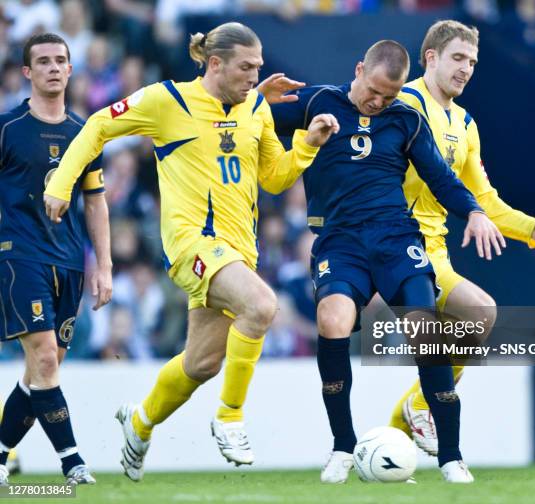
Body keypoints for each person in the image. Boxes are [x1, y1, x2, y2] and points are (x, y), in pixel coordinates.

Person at [43, 22, 338, 481]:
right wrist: (63, 182)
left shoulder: (255, 107)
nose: (255, 75)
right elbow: (99, 124)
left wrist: (307, 144)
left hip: (239, 251)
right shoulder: (168, 101)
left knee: (201, 363)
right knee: (261, 306)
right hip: (192, 245)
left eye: (258, 66)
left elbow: (274, 179)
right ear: (214, 63)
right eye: (247, 66)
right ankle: (231, 417)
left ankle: (139, 422)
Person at [270, 40, 506, 483]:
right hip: (341, 242)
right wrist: (255, 99)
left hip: (396, 238)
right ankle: (342, 447)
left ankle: (452, 456)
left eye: (388, 96)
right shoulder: (318, 101)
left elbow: (440, 176)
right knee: (332, 319)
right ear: (359, 70)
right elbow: (251, 120)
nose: (378, 102)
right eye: (372, 91)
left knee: (426, 326)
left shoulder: (407, 120)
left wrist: (474, 210)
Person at [387, 19, 535, 456]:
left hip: (432, 251)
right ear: (431, 58)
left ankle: (401, 423)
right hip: (393, 245)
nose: (466, 69)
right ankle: (414, 412)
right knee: (467, 318)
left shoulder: (465, 124)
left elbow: (485, 202)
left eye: (472, 61)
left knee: (479, 319)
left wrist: (532, 228)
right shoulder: (402, 104)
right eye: (458, 58)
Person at [0, 33, 112, 486]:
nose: (52, 67)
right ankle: (73, 461)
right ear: (27, 72)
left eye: (60, 61)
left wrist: (103, 265)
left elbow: (96, 202)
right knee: (45, 358)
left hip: (68, 262)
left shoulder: (84, 134)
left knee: (43, 369)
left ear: (70, 70)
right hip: (18, 256)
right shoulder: (7, 129)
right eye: (42, 61)